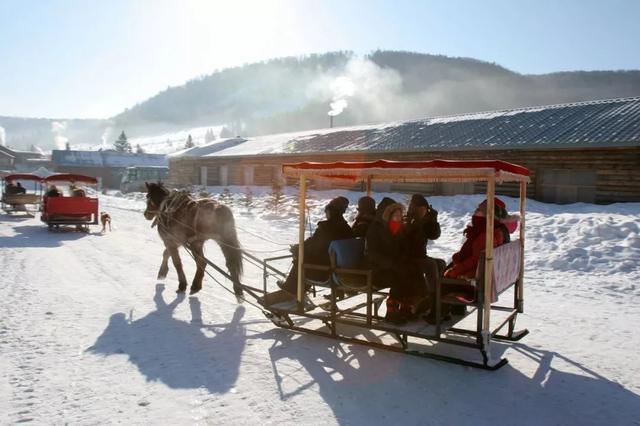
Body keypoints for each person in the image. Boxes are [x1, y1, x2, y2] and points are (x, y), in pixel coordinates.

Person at [278, 196, 354, 296]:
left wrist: (297, 249)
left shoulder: (326, 227)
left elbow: (313, 247)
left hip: (325, 272)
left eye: (326, 212)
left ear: (330, 212)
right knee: (307, 257)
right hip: (340, 268)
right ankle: (301, 289)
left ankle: (290, 289)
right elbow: (316, 243)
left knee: (301, 259)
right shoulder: (346, 228)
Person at [365, 202, 424, 324]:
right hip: (377, 269)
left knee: (413, 271)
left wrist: (404, 259)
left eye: (400, 215)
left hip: (394, 265)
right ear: (388, 215)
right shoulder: (375, 229)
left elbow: (405, 248)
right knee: (399, 275)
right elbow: (372, 253)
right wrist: (392, 263)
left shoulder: (399, 228)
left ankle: (407, 307)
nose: (399, 217)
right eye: (396, 215)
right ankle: (391, 313)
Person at [444, 197, 518, 280]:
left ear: (488, 214)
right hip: (475, 274)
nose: (476, 210)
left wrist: (454, 271)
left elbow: (475, 260)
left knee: (439, 275)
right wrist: (457, 257)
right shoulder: (485, 229)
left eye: (480, 209)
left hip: (470, 279)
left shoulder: (485, 234)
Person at [404, 194, 445, 321]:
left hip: (420, 256)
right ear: (415, 209)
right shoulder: (408, 220)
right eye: (421, 209)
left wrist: (433, 221)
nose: (424, 212)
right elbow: (409, 242)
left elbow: (434, 235)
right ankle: (434, 305)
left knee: (441, 263)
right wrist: (420, 223)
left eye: (425, 210)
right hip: (407, 258)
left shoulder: (422, 221)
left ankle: (435, 298)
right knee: (430, 265)